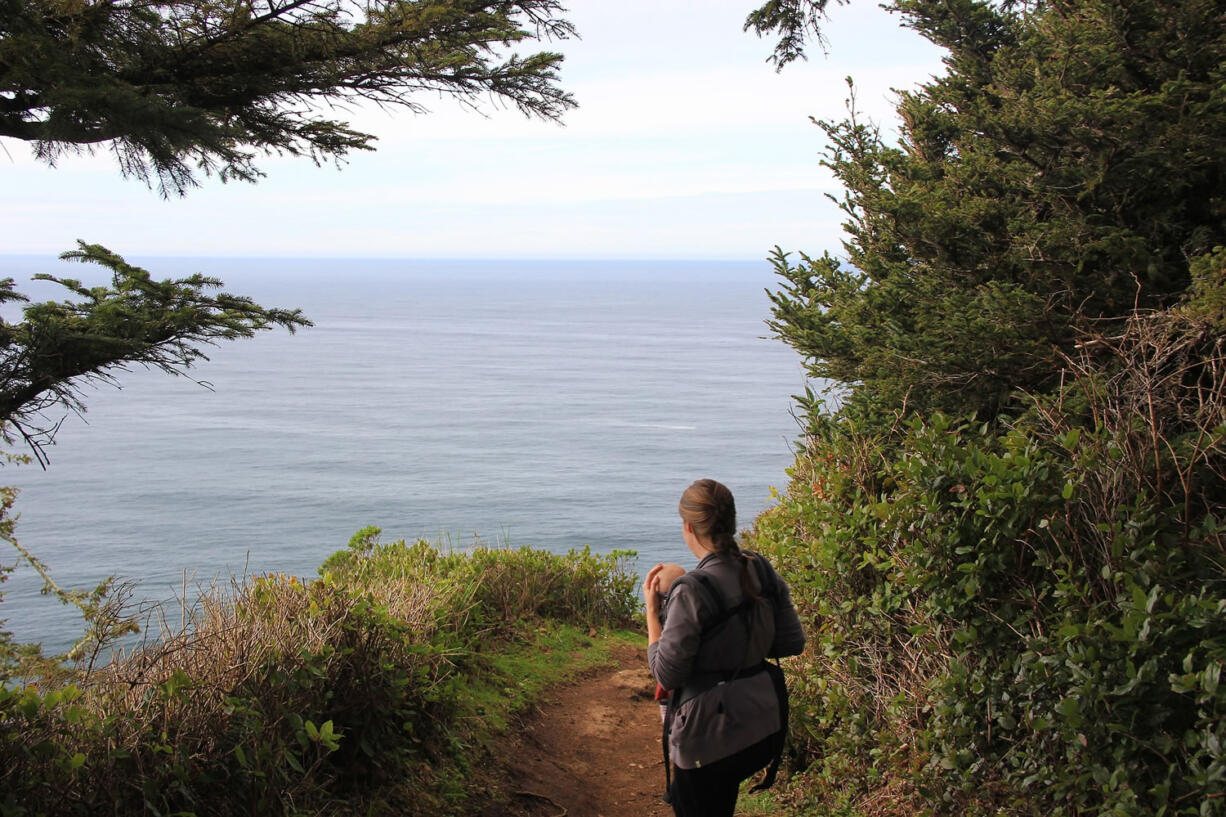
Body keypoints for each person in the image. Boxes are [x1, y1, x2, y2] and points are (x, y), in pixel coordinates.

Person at [644, 478, 806, 817]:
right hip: (758, 724)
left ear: (688, 526)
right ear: (730, 521)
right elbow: (791, 642)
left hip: (708, 736)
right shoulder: (759, 566)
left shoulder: (691, 590)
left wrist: (652, 610)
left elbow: (666, 673)